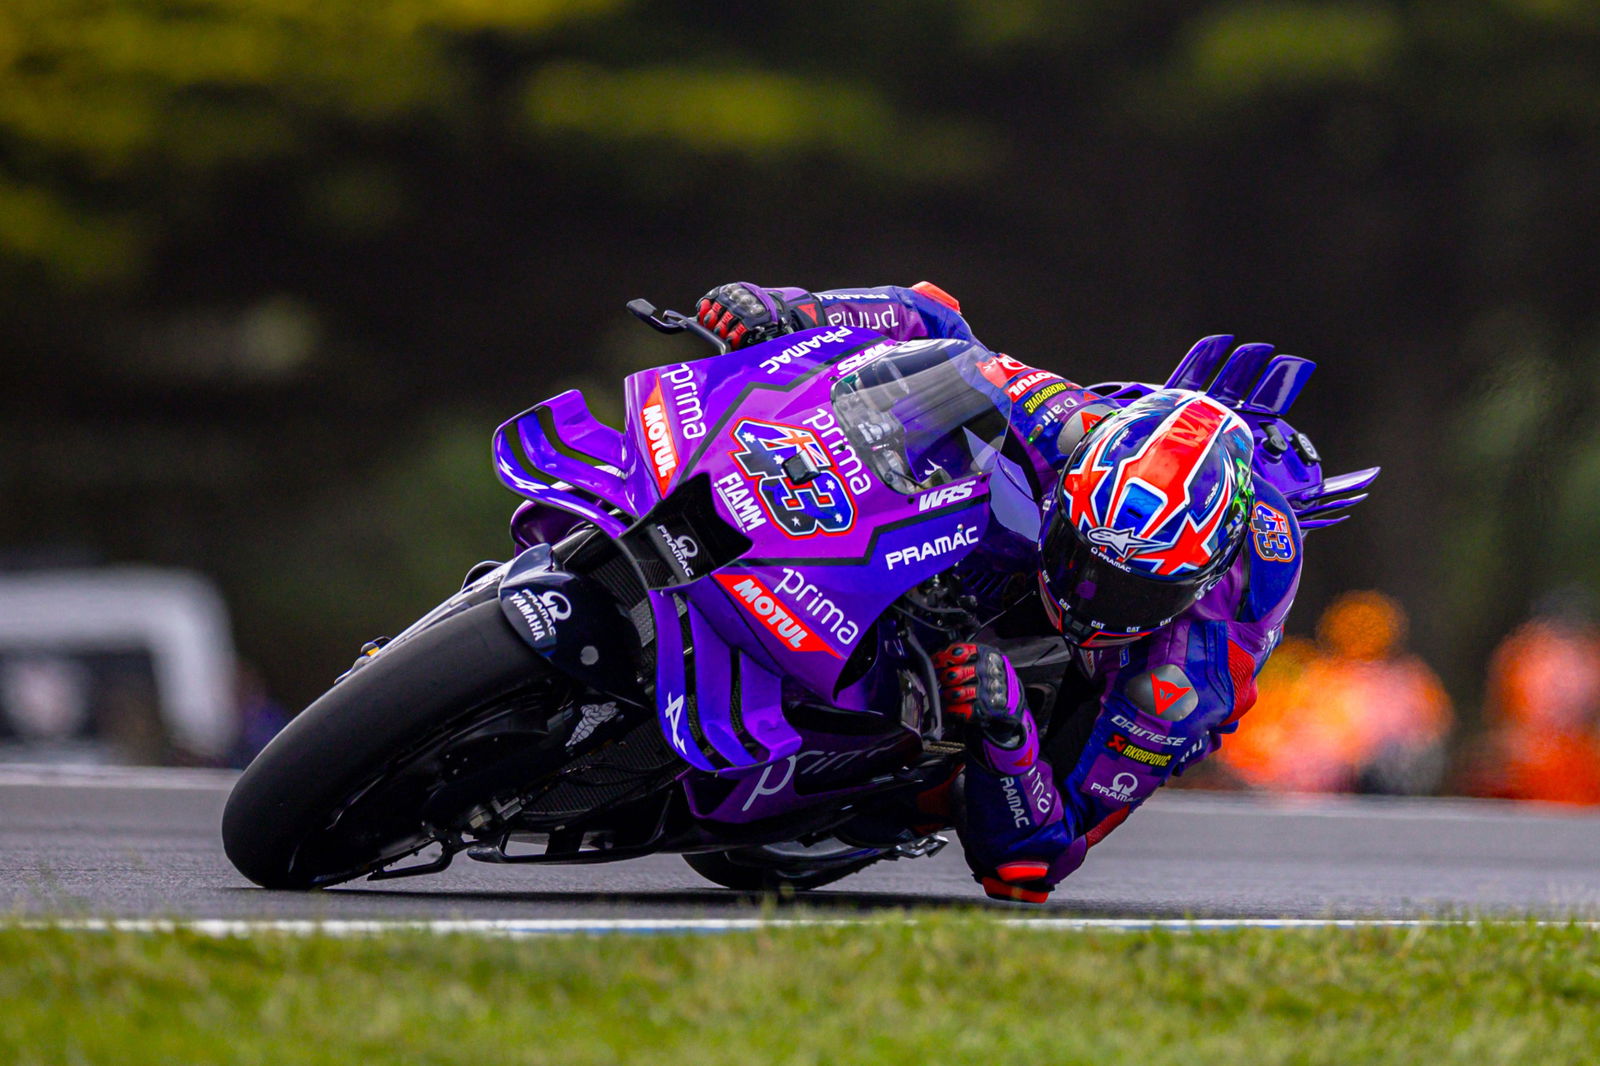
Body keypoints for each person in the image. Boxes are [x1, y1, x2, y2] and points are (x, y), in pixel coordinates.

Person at [693, 281, 1370, 902]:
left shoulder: (1192, 666)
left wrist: (1007, 729)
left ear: (1192, 585)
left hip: (1121, 676)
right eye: (1081, 560)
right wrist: (790, 311)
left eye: (1127, 594)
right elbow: (929, 318)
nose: (1085, 598)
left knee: (1016, 751)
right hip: (1067, 486)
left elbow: (1034, 863)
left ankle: (917, 771)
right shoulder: (1066, 423)